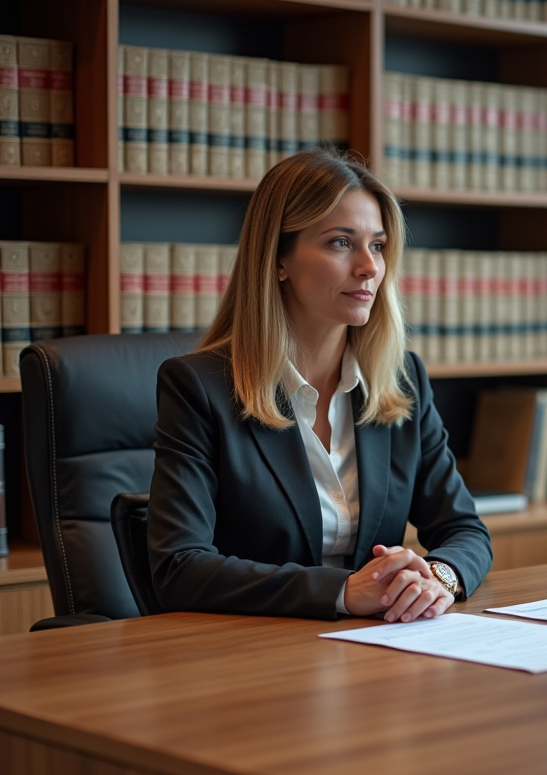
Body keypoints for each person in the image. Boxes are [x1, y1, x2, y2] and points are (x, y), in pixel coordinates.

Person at [148, 148, 492, 622]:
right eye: (339, 243)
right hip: (250, 654)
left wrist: (438, 579)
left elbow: (464, 530)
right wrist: (344, 592)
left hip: (379, 646)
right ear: (279, 259)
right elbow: (178, 568)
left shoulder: (401, 380)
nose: (369, 267)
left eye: (377, 245)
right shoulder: (198, 388)